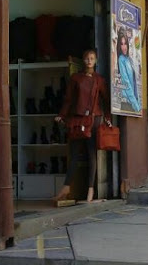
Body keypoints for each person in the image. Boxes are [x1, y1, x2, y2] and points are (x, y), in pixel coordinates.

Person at [54, 50, 112, 202]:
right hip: (77, 120)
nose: (89, 61)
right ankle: (66, 187)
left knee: (91, 153)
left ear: (96, 61)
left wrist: (107, 117)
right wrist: (62, 115)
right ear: (83, 60)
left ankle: (90, 190)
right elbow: (69, 99)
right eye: (86, 58)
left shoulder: (99, 80)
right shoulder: (76, 78)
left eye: (92, 58)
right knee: (74, 154)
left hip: (94, 119)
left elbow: (106, 100)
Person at [117, 30, 141, 112]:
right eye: (121, 44)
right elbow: (126, 83)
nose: (124, 47)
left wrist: (138, 103)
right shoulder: (121, 59)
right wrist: (136, 104)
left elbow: (135, 83)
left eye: (125, 43)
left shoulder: (129, 59)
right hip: (128, 103)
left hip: (134, 102)